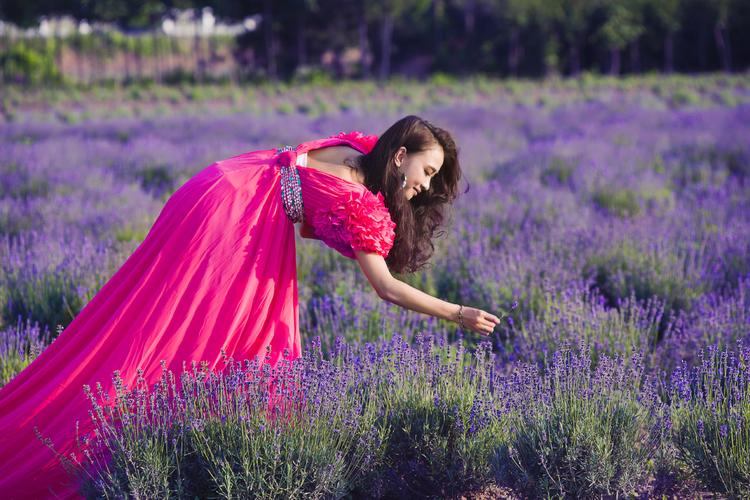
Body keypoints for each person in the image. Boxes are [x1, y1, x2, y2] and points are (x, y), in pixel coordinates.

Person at [0, 115, 500, 498]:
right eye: (427, 171)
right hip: (234, 220)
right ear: (400, 156)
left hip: (222, 187)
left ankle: (175, 439)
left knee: (184, 326)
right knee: (196, 337)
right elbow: (386, 288)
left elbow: (303, 183)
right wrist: (458, 313)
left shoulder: (360, 152)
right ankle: (101, 447)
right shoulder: (359, 201)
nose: (428, 186)